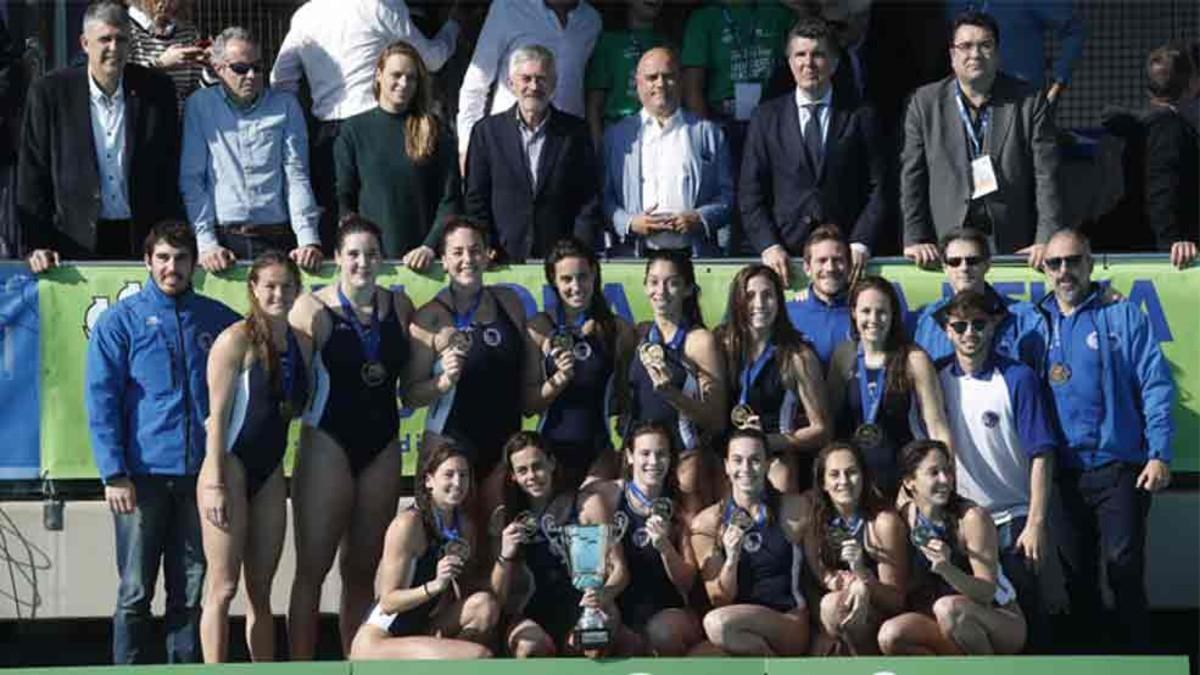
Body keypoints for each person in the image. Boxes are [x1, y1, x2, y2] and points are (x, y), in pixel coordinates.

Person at [85, 221, 240, 664]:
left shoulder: (218, 321)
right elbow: (101, 401)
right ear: (148, 262)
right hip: (141, 478)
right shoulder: (121, 321)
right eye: (164, 258)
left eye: (181, 259)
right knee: (135, 591)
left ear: (195, 264)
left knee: (190, 592)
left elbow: (259, 368)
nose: (173, 267)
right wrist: (114, 472)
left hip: (199, 480)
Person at [1034, 229, 1175, 653]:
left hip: (1119, 468)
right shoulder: (1031, 321)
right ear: (1043, 269)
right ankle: (1090, 660)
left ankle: (1138, 657)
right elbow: (973, 319)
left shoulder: (1124, 315)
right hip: (1062, 474)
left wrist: (1160, 453)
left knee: (1123, 569)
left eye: (1073, 261)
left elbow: (1156, 384)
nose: (1064, 271)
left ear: (1090, 264)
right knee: (1076, 580)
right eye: (1054, 263)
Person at [286, 216, 416, 659]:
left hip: (381, 443)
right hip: (328, 440)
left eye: (372, 254)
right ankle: (301, 668)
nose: (363, 263)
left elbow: (417, 381)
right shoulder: (312, 309)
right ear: (337, 259)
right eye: (354, 254)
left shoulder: (400, 307)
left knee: (363, 570)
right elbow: (290, 385)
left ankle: (356, 664)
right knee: (312, 569)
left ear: (383, 259)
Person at [272, 0, 462, 251]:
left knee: (335, 231)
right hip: (374, 130)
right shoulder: (381, 7)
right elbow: (431, 59)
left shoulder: (305, 15)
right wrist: (455, 25)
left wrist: (301, 124)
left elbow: (282, 80)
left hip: (324, 133)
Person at [197, 251, 311, 663]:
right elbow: (217, 420)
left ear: (298, 290)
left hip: (269, 472)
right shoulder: (235, 341)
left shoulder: (301, 343)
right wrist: (213, 484)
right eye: (269, 286)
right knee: (223, 587)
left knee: (261, 592)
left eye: (286, 286)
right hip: (229, 466)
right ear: (253, 289)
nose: (278, 293)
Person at [936, 288, 1058, 652]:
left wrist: (1035, 522)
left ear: (994, 326)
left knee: (1028, 620)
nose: (969, 333)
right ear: (947, 330)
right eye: (960, 326)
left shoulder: (1018, 378)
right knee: (964, 621)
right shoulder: (937, 378)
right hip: (963, 523)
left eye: (978, 324)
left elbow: (1042, 455)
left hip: (1014, 520)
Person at [19, 0, 180, 273]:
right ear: (84, 43)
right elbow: (33, 173)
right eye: (105, 39)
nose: (114, 49)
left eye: (121, 39)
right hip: (72, 243)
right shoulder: (49, 93)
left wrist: (170, 241)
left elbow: (169, 170)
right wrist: (37, 243)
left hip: (142, 241)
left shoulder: (158, 91)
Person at [901, 10, 1061, 270]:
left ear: (997, 54)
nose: (974, 54)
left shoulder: (1029, 101)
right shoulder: (924, 103)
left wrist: (1047, 239)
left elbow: (1047, 177)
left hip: (1013, 243)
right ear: (952, 55)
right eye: (965, 46)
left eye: (985, 45)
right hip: (948, 243)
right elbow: (912, 177)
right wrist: (916, 238)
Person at [408, 218, 541, 512]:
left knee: (498, 543)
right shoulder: (430, 317)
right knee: (451, 545)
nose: (467, 260)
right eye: (457, 252)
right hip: (450, 445)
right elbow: (409, 395)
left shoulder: (510, 302)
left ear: (487, 254)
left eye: (475, 250)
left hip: (504, 446)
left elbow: (525, 379)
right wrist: (442, 382)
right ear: (443, 260)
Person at [741, 17, 885, 286]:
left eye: (818, 54)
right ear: (789, 61)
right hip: (785, 258)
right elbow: (750, 193)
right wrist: (768, 246)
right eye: (800, 55)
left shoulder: (861, 115)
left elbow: (879, 187)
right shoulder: (765, 117)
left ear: (834, 62)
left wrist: (861, 241)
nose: (808, 63)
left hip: (845, 259)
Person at [180, 27, 322, 275]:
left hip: (278, 236)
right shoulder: (200, 105)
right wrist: (206, 243)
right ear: (219, 68)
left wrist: (307, 239)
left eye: (257, 67)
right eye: (240, 68)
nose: (251, 75)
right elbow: (193, 179)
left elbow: (296, 175)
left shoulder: (286, 105)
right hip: (224, 241)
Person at [350, 437, 498, 660]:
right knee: (478, 657)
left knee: (485, 606)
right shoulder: (408, 524)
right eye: (449, 475)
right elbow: (389, 602)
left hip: (421, 629)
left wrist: (504, 552)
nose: (458, 483)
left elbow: (466, 591)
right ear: (429, 480)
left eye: (464, 475)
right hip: (382, 638)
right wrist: (434, 586)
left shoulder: (464, 526)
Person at [877, 440, 1026, 655]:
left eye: (947, 470)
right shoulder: (906, 517)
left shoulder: (972, 518)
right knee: (891, 635)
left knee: (949, 609)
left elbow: (986, 593)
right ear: (910, 482)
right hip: (946, 624)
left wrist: (947, 569)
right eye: (933, 473)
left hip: (1000, 620)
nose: (945, 480)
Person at [490, 431, 628, 657]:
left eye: (538, 466)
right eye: (522, 470)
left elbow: (620, 569)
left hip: (585, 607)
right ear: (513, 476)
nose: (532, 476)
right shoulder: (507, 518)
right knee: (529, 648)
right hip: (532, 611)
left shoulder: (586, 505)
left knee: (590, 644)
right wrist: (505, 556)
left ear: (552, 463)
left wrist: (604, 594)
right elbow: (498, 596)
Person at [464, 45, 601, 262]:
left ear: (553, 84)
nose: (534, 86)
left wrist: (579, 251)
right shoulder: (486, 133)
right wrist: (484, 244)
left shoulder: (575, 133)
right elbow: (476, 200)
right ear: (511, 84)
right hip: (501, 258)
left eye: (541, 79)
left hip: (560, 260)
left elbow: (588, 199)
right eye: (526, 78)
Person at [335, 41, 461, 272]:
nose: (403, 83)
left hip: (425, 264)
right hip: (371, 264)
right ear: (379, 75)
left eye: (411, 78)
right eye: (396, 75)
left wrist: (429, 247)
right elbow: (344, 197)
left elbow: (450, 199)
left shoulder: (436, 130)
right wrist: (360, 248)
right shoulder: (354, 130)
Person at [689, 428, 810, 656]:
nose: (745, 468)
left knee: (717, 625)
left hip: (787, 620)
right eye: (737, 460)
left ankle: (772, 668)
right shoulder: (707, 523)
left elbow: (818, 570)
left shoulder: (795, 509)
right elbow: (719, 599)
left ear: (767, 464)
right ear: (726, 465)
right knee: (698, 660)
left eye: (755, 460)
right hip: (734, 629)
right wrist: (731, 559)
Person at [828, 276, 952, 498]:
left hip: (906, 482)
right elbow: (832, 426)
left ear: (893, 314)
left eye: (881, 311)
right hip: (855, 484)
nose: (873, 319)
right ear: (854, 312)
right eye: (866, 311)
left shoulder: (914, 359)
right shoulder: (843, 356)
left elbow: (937, 428)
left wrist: (945, 480)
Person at [601, 46, 732, 257]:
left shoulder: (708, 132)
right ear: (638, 83)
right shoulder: (616, 136)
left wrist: (700, 218)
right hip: (636, 254)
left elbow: (728, 195)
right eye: (652, 77)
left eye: (668, 76)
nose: (660, 84)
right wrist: (630, 223)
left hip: (694, 255)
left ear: (680, 81)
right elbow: (604, 197)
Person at [527, 237, 635, 490]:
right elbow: (529, 405)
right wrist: (558, 381)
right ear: (553, 280)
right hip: (549, 453)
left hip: (599, 450)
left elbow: (625, 400)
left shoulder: (617, 330)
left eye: (582, 276)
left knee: (593, 520)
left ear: (594, 274)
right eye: (566, 279)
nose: (576, 286)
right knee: (555, 522)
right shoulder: (539, 328)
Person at [624, 249, 727, 514]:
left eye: (672, 282)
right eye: (654, 282)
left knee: (689, 540)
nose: (662, 290)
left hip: (684, 457)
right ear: (645, 286)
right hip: (643, 459)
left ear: (687, 289)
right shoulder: (640, 335)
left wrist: (673, 394)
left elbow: (716, 420)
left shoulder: (700, 342)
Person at [588, 422, 703, 656]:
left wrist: (665, 548)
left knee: (661, 633)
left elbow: (688, 583)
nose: (653, 462)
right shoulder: (607, 496)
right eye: (645, 453)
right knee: (594, 636)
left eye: (661, 454)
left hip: (669, 611)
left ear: (671, 458)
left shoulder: (683, 504)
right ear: (630, 456)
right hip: (621, 607)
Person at [716, 264, 831, 493]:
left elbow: (823, 429)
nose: (759, 304)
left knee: (782, 471)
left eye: (768, 295)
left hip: (775, 454)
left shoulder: (798, 356)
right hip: (726, 451)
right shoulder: (720, 345)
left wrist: (768, 441)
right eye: (750, 296)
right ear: (737, 301)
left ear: (779, 301)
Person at [456, 0, 601, 169]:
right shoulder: (509, 8)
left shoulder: (591, 20)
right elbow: (476, 85)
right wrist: (467, 148)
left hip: (565, 148)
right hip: (508, 143)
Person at [802, 442, 907, 655]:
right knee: (830, 606)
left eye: (851, 473)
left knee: (837, 604)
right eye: (834, 475)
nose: (843, 481)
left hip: (879, 616)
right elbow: (815, 578)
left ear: (864, 476)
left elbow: (896, 601)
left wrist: (863, 578)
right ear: (823, 482)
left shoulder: (883, 522)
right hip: (829, 615)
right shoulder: (813, 516)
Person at [912, 227, 1044, 368]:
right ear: (945, 267)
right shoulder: (926, 320)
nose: (964, 268)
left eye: (972, 261)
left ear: (987, 264)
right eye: (954, 262)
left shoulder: (1024, 316)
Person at [943, 0, 1084, 104]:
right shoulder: (954, 4)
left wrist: (1058, 82)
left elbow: (1074, 30)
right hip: (965, 101)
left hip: (1020, 103)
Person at [1143, 44, 1199, 269]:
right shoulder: (1169, 128)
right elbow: (1161, 189)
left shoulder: (1143, 124)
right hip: (1169, 255)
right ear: (1189, 84)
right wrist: (1171, 245)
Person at [584, 0, 667, 149]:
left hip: (662, 132)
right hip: (619, 134)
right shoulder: (608, 42)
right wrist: (597, 150)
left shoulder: (667, 43)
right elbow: (594, 105)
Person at [786, 224, 852, 368]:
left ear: (850, 266)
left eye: (838, 260)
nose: (830, 268)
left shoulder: (865, 313)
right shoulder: (786, 315)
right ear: (807, 268)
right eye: (822, 261)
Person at [126, 0, 208, 110]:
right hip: (144, 118)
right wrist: (160, 64)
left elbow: (195, 89)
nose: (167, 4)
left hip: (180, 120)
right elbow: (123, 84)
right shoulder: (125, 30)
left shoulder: (188, 31)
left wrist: (209, 71)